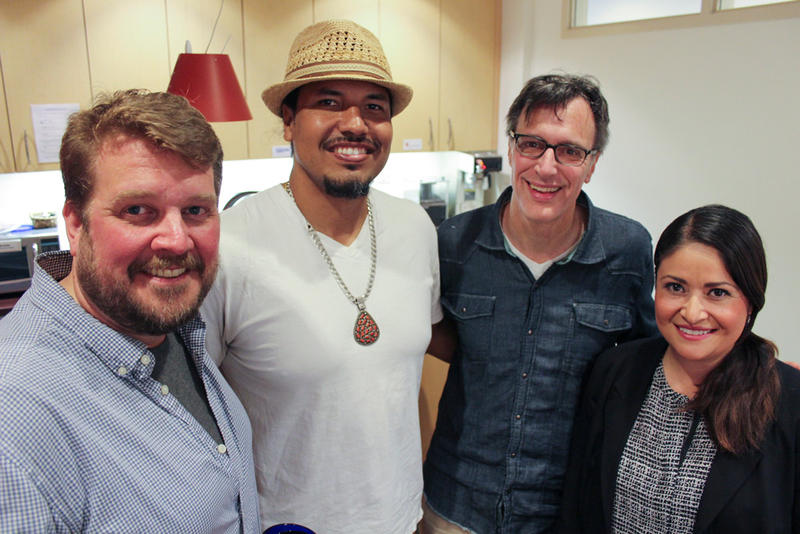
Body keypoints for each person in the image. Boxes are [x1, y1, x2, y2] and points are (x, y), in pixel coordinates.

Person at [200, 20, 442, 533]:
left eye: (374, 107)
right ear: (288, 121)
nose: (355, 123)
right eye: (329, 102)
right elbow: (196, 415)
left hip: (402, 518)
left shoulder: (416, 227)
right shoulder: (230, 245)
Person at [0, 90, 260, 532]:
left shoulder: (166, 326)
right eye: (138, 210)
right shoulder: (16, 420)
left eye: (196, 210)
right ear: (76, 224)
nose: (176, 240)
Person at [422, 74, 657, 533]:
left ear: (592, 164)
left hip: (562, 513)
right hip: (455, 507)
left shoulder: (626, 250)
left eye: (570, 151)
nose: (547, 167)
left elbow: (648, 363)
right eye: (533, 144)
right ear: (512, 149)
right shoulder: (454, 244)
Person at [559, 204, 800, 533]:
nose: (693, 312)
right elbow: (577, 509)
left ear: (751, 301)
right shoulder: (614, 371)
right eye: (676, 287)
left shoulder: (789, 401)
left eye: (717, 293)